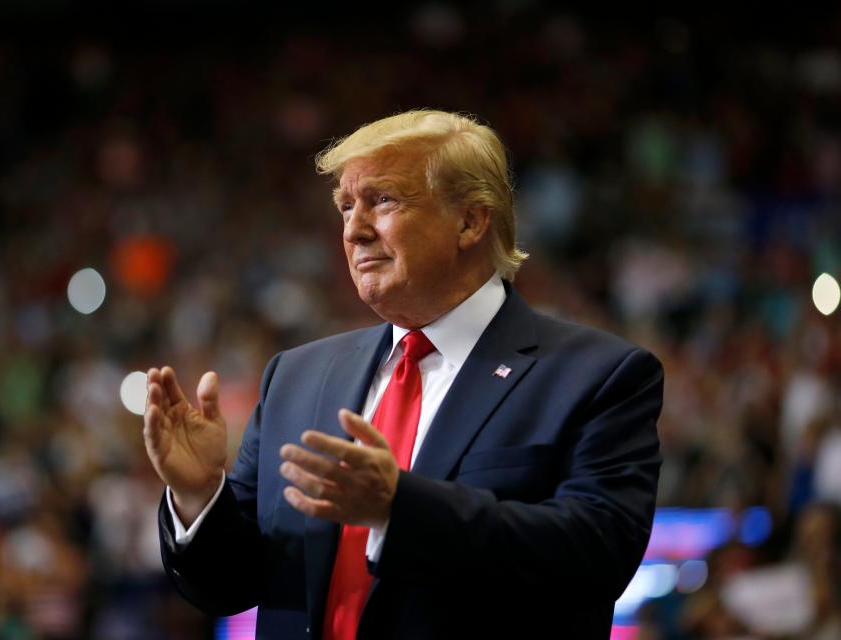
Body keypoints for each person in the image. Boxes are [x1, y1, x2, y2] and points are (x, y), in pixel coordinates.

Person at [143, 110, 663, 639]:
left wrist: (399, 509)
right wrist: (198, 496)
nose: (353, 229)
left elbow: (596, 555)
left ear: (470, 221)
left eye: (383, 200)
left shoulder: (597, 376)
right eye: (346, 206)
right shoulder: (296, 377)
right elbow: (231, 586)